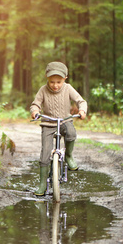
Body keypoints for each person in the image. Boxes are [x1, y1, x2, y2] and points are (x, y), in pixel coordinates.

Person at [30, 61, 87, 196]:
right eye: (52, 82)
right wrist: (35, 111)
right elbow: (35, 104)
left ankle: (68, 156)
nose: (55, 85)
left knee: (71, 133)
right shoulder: (43, 90)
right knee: (45, 155)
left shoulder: (68, 88)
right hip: (48, 123)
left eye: (59, 82)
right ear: (47, 79)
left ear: (65, 79)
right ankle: (43, 184)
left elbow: (81, 101)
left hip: (64, 121)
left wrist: (82, 110)